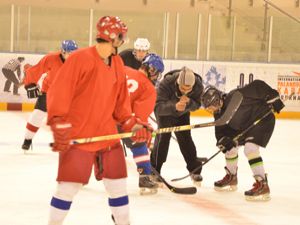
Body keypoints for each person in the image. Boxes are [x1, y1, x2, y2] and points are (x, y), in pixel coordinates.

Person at [46, 16, 152, 225]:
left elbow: (121, 104)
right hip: (80, 135)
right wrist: (58, 122)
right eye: (121, 37)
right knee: (68, 188)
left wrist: (133, 124)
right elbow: (59, 92)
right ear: (112, 37)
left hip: (107, 136)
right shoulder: (79, 59)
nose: (123, 41)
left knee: (118, 185)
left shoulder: (117, 62)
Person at [201, 79, 285, 201]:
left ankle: (262, 184)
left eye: (213, 105)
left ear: (218, 98)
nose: (212, 109)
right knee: (230, 149)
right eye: (209, 108)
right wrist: (223, 141)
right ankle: (231, 177)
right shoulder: (218, 114)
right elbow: (220, 133)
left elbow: (258, 85)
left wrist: (273, 97)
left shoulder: (236, 96)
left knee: (250, 149)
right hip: (244, 127)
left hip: (262, 120)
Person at [21, 40, 78, 151]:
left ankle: (69, 140)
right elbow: (36, 70)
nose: (72, 56)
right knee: (37, 115)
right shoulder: (51, 58)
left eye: (74, 53)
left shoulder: (78, 61)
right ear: (63, 51)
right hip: (49, 92)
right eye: (69, 53)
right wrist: (29, 83)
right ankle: (27, 140)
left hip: (68, 94)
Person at [150, 67, 204, 185]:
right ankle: (155, 169)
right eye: (182, 88)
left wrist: (188, 103)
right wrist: (174, 106)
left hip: (183, 112)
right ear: (177, 83)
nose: (185, 91)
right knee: (163, 138)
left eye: (188, 89)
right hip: (165, 113)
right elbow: (158, 108)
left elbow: (197, 105)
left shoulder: (198, 86)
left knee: (185, 138)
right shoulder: (167, 83)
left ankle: (194, 169)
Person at [122, 53, 164, 195]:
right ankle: (145, 177)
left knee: (93, 144)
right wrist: (145, 127)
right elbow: (139, 116)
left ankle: (77, 175)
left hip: (104, 115)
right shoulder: (149, 88)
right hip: (124, 121)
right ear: (152, 71)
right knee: (139, 141)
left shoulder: (124, 70)